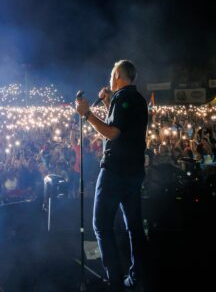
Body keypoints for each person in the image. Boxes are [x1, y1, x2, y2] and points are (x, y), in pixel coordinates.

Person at [75, 60, 148, 291]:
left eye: (111, 75)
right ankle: (137, 276)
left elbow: (112, 133)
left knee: (101, 226)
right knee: (134, 226)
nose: (109, 80)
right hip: (134, 171)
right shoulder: (137, 99)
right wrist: (108, 105)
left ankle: (114, 281)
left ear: (117, 74)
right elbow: (122, 127)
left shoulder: (122, 97)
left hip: (115, 171)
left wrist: (87, 114)